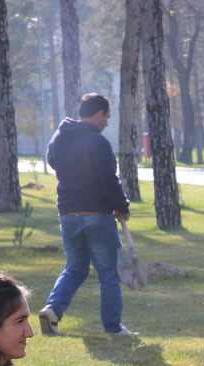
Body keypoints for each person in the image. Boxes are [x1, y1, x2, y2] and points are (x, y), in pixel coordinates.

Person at [37, 93, 137, 337]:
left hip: (68, 214)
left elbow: (52, 162)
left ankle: (52, 310)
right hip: (97, 215)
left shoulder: (59, 136)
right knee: (109, 273)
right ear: (99, 114)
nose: (107, 123)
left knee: (75, 267)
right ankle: (113, 327)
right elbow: (108, 180)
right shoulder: (98, 142)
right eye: (107, 117)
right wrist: (121, 205)